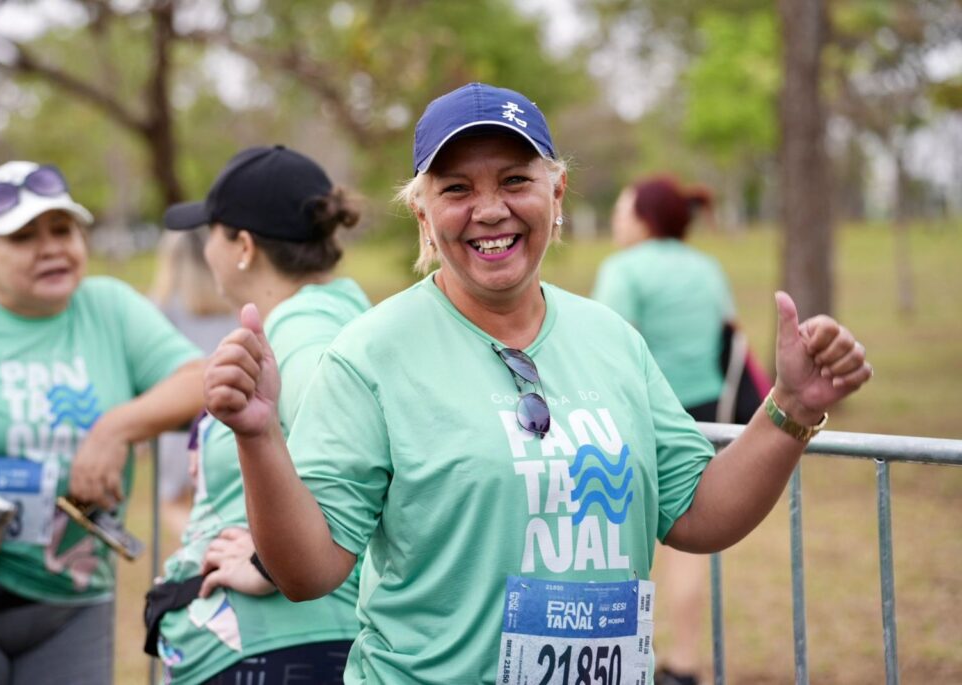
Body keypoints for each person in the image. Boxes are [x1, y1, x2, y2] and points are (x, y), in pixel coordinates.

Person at [205, 83, 873, 684]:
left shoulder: (613, 340)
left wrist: (790, 406)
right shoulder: (370, 354)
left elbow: (697, 511)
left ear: (556, 198)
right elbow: (310, 570)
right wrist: (259, 436)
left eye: (515, 180)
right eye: (457, 189)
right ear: (423, 217)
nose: (490, 209)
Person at [0, 161, 204, 684]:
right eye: (22, 236)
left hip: (71, 606)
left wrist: (117, 427)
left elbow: (202, 378)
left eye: (62, 229)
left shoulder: (108, 307)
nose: (52, 247)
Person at [147, 145, 370, 685]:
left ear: (242, 246)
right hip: (289, 645)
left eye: (213, 235)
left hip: (282, 650)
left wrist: (268, 566)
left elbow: (361, 447)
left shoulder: (302, 331)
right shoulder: (345, 314)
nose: (207, 253)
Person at [590, 177, 738, 685]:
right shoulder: (707, 268)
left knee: (626, 541)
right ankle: (686, 662)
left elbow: (602, 346)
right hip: (704, 414)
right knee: (689, 546)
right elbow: (727, 328)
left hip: (642, 415)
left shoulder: (622, 271)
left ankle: (628, 656)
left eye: (621, 210)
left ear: (645, 217)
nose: (615, 220)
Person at [148, 231, 236, 537]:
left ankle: (201, 553)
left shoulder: (163, 307)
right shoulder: (234, 304)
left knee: (174, 503)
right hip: (227, 420)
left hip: (181, 420)